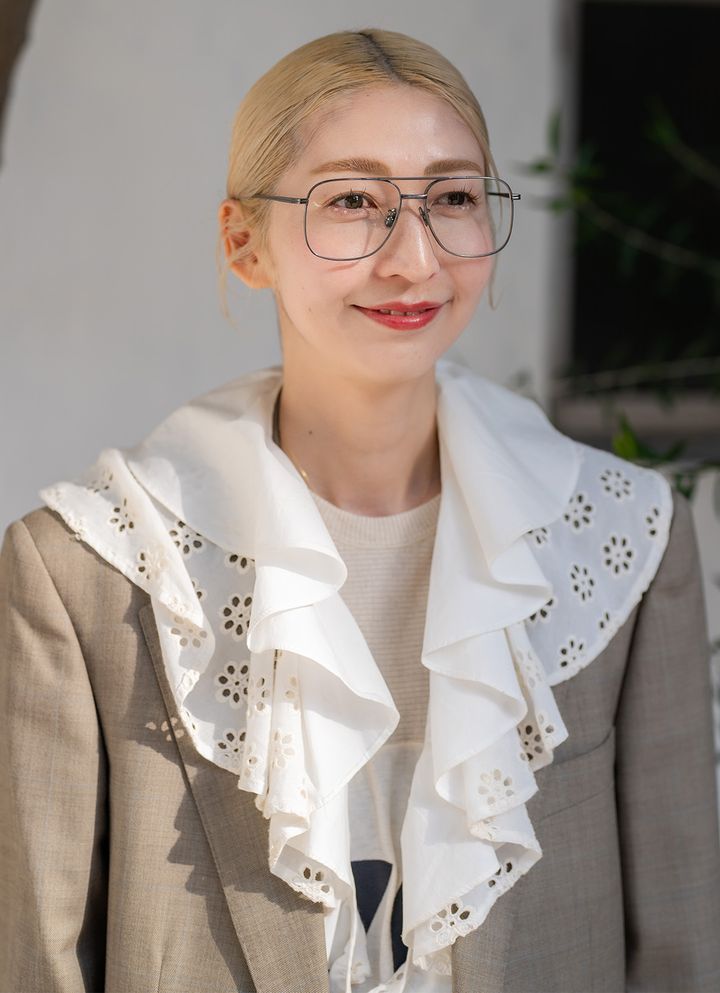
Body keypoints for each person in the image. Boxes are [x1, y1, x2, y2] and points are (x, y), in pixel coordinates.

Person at [1, 26, 719, 993]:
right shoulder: (87, 569)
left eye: (453, 198)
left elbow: (682, 951)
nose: (415, 260)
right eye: (351, 202)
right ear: (243, 243)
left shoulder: (623, 540)